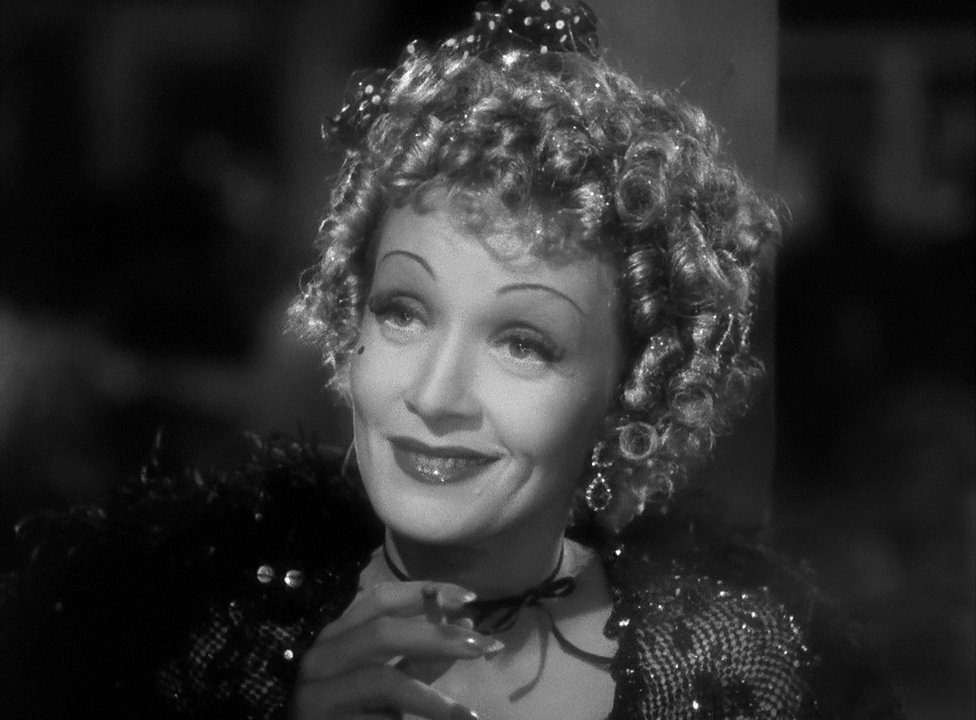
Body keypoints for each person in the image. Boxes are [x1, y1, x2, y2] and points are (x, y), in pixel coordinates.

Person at [0, 2, 902, 718]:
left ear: (632, 390)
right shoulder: (184, 643)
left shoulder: (743, 675)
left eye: (523, 343)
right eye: (404, 313)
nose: (434, 395)